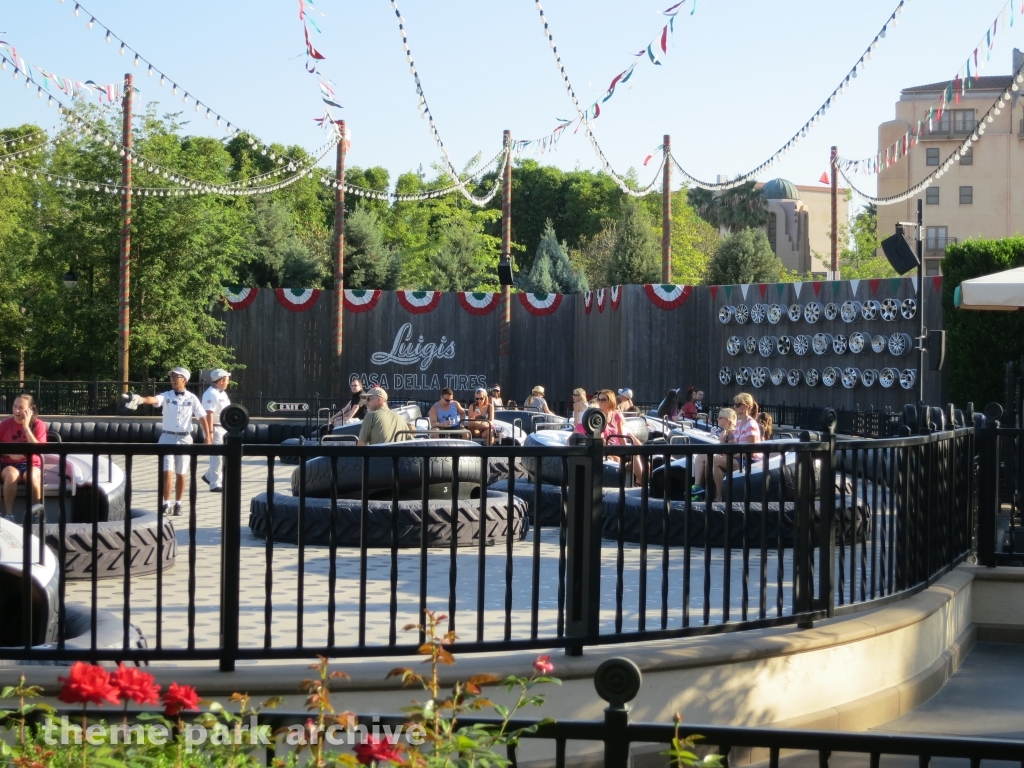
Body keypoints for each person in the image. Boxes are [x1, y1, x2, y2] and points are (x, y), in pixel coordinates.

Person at [131, 367, 207, 516]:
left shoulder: (192, 398)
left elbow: (202, 416)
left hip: (184, 437)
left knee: (181, 473)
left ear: (184, 380)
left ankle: (178, 503)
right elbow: (154, 399)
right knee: (167, 471)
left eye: (176, 377)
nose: (172, 379)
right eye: (171, 377)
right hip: (167, 436)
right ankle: (166, 503)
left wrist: (208, 434)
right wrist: (140, 399)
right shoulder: (167, 395)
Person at [575, 389, 644, 485]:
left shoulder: (616, 415)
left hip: (616, 447)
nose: (600, 402)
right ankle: (624, 484)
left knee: (635, 453)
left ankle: (644, 484)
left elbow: (621, 436)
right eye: (599, 400)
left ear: (610, 401)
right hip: (603, 448)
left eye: (603, 400)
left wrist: (626, 450)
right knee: (616, 459)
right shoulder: (596, 416)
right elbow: (598, 438)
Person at [0, 394, 47, 519]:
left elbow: (39, 448)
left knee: (31, 476)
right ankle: (9, 515)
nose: (16, 410)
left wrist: (26, 427)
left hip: (32, 464)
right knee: (11, 475)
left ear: (30, 409)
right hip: (8, 464)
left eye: (21, 407)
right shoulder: (4, 425)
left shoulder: (39, 425)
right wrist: (9, 453)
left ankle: (36, 515)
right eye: (15, 406)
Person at [712, 392, 761, 500]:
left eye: (738, 404)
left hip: (749, 461)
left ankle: (719, 497)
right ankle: (718, 496)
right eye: (735, 404)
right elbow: (735, 444)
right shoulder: (738, 423)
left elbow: (751, 452)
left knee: (715, 461)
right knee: (714, 462)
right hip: (739, 458)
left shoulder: (751, 425)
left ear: (747, 406)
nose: (735, 406)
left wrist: (733, 455)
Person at [691, 408, 736, 500]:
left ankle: (714, 495)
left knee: (710, 460)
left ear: (727, 420)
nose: (717, 419)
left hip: (735, 460)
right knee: (700, 456)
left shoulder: (732, 433)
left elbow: (729, 451)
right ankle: (697, 486)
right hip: (725, 457)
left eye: (720, 417)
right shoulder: (724, 432)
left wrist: (722, 440)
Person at [200, 368, 231, 493]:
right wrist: (210, 432)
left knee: (222, 456)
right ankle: (214, 483)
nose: (228, 381)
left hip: (223, 427)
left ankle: (209, 476)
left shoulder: (221, 393)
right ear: (222, 380)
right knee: (217, 457)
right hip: (215, 427)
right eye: (227, 379)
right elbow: (209, 414)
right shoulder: (211, 393)